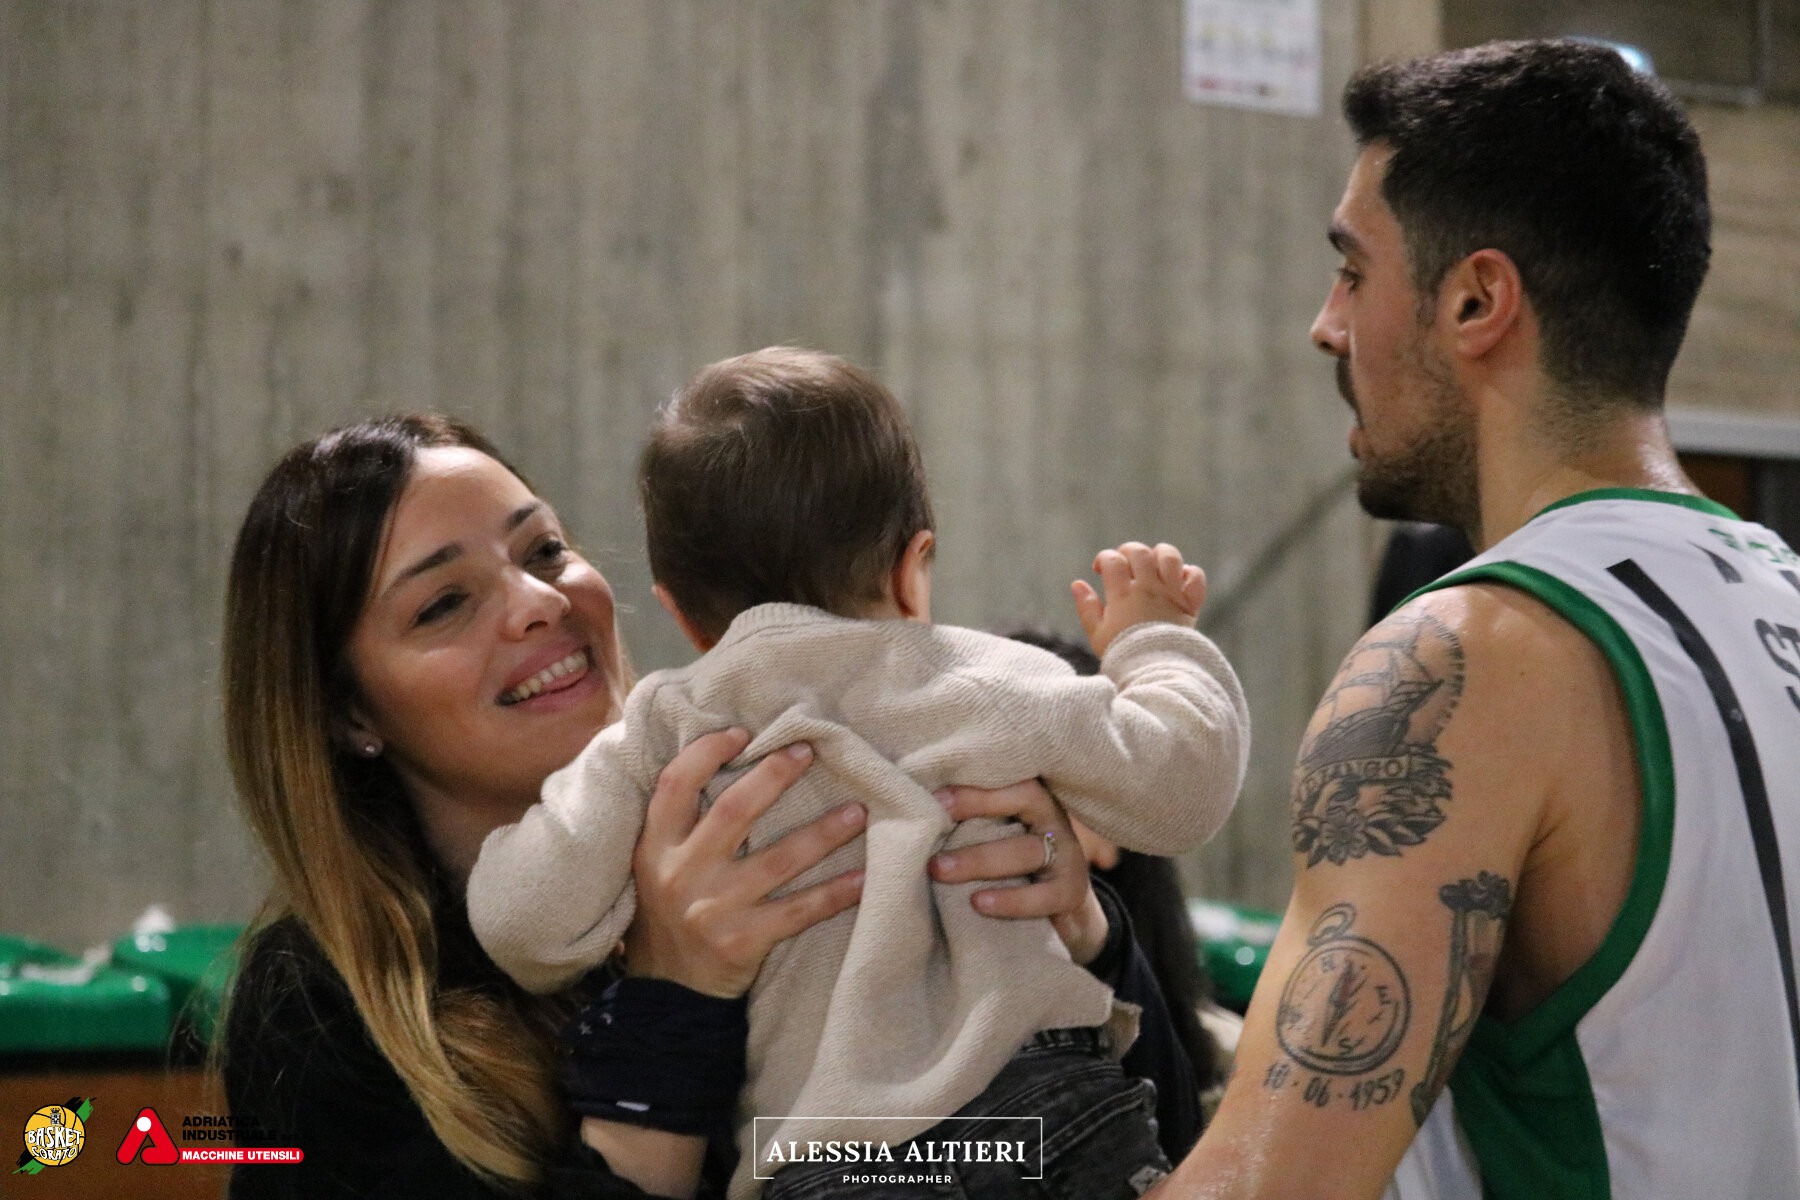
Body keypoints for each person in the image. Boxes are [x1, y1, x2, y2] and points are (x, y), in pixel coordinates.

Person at [219, 414, 1181, 1200]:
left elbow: (1165, 1145)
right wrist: (673, 1000)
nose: (537, 602)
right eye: (442, 605)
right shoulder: (314, 1004)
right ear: (350, 712)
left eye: (544, 550)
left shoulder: (809, 795)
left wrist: (1079, 933)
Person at [1156, 39, 1800, 1199]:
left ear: (1475, 301)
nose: (1327, 325)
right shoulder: (1780, 597)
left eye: (1352, 272)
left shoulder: (1468, 657)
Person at [467, 348, 1251, 1199]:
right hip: (1042, 1113)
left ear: (681, 614)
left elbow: (524, 925)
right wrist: (1154, 643)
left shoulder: (665, 729)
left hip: (843, 1165)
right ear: (913, 568)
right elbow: (1184, 788)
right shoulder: (987, 679)